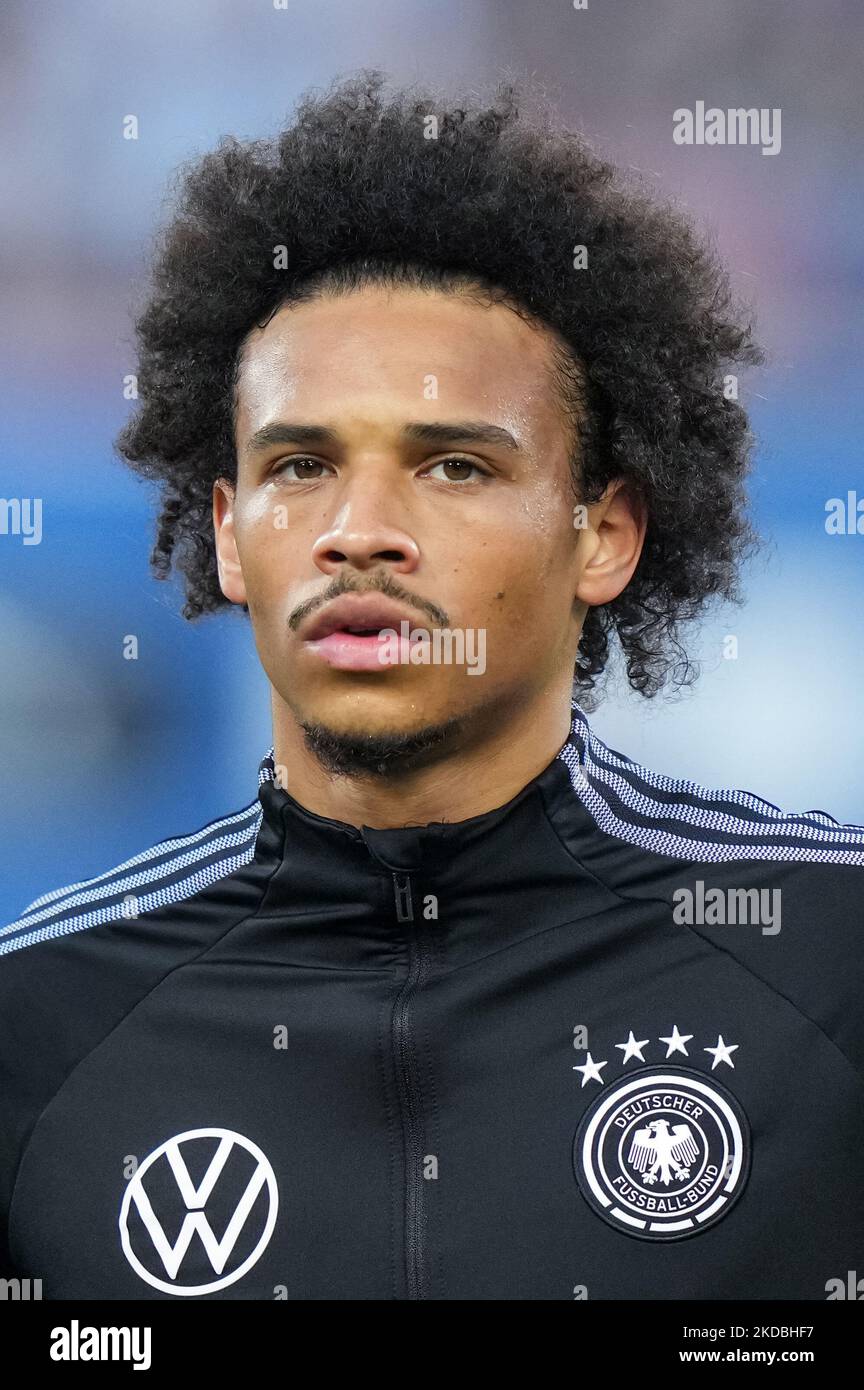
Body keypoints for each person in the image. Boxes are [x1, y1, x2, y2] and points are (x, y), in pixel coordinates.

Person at [1, 72, 861, 1301]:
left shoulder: (832, 959)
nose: (359, 532)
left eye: (453, 465)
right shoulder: (34, 1018)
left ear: (604, 535)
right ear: (234, 537)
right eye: (301, 464)